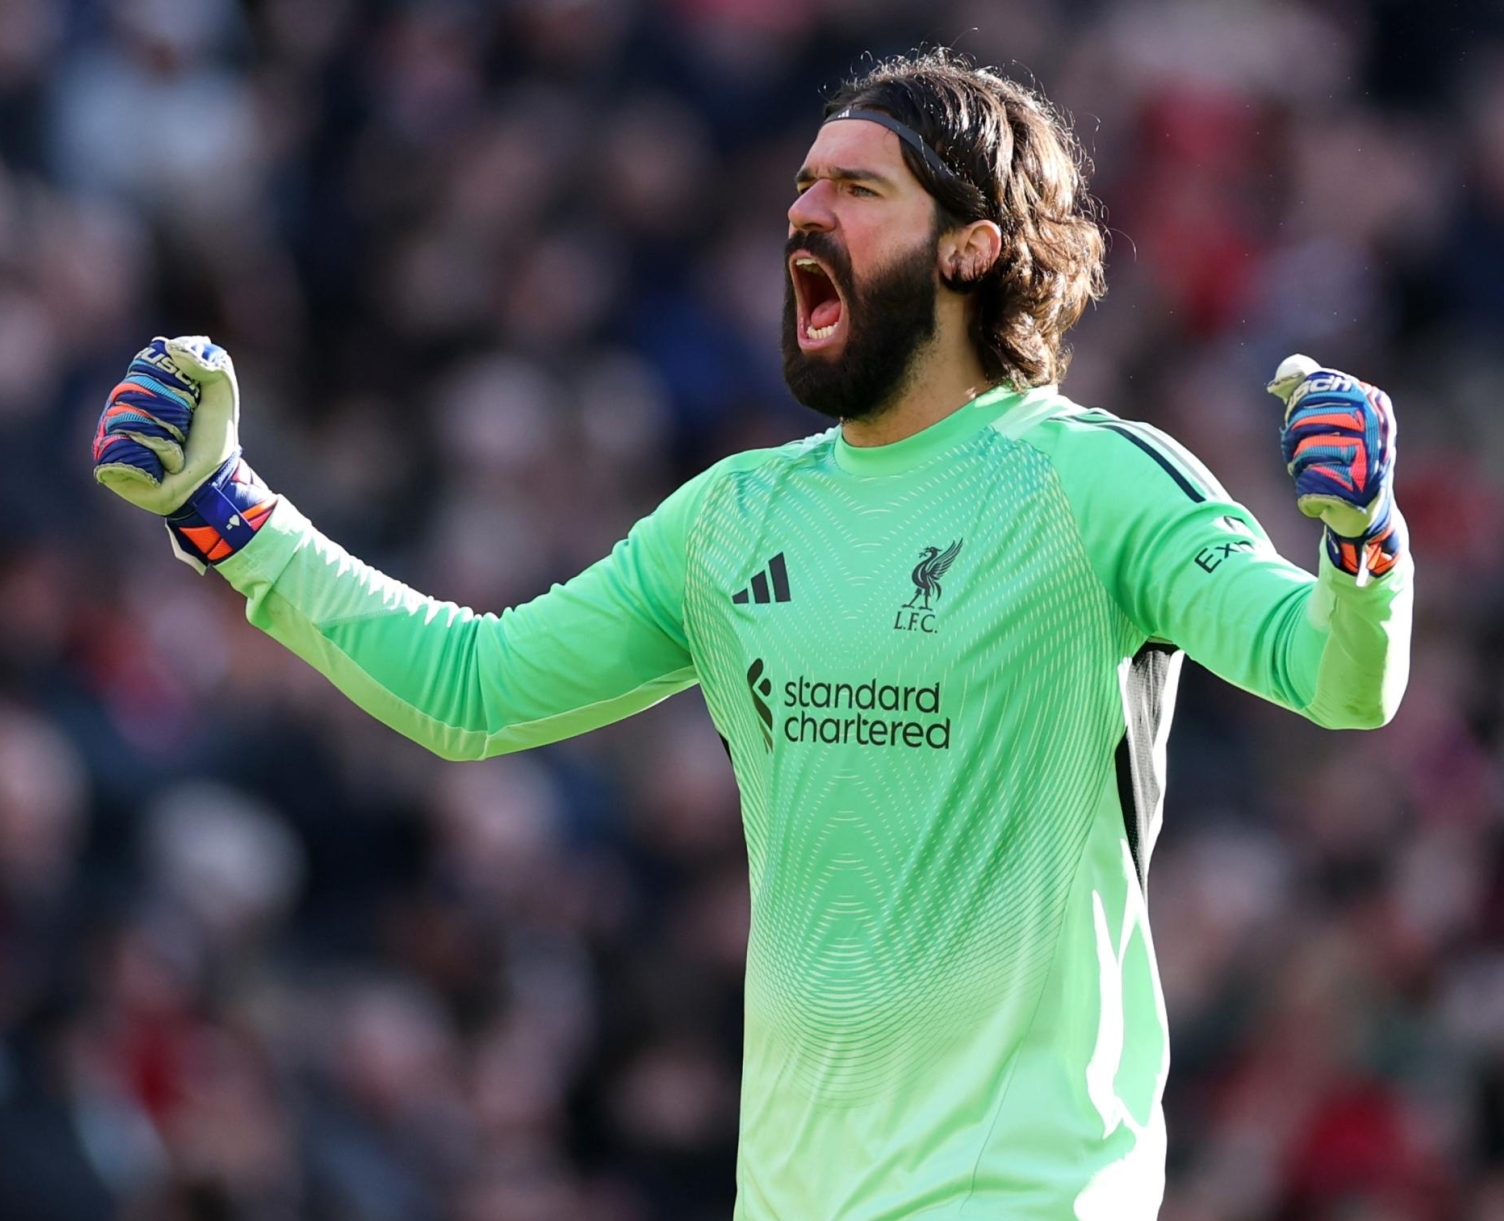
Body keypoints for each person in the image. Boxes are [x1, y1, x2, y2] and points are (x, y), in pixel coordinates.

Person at [90, 48, 1411, 1221]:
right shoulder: (735, 515)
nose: (804, 209)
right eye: (800, 183)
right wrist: (230, 516)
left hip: (1026, 1191)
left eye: (856, 188)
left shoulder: (1097, 484)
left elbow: (1336, 679)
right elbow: (473, 687)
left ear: (971, 245)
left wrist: (1360, 539)